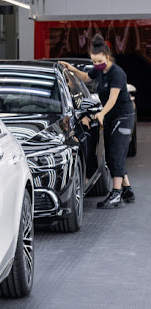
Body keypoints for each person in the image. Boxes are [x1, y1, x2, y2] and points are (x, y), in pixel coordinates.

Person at [60, 34, 136, 209]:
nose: (96, 65)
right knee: (112, 153)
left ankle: (116, 195)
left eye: (99, 61)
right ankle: (127, 190)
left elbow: (112, 98)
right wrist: (71, 69)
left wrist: (101, 113)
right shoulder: (99, 70)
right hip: (111, 116)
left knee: (115, 154)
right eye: (93, 62)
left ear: (107, 57)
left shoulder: (117, 73)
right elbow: (86, 77)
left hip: (123, 116)